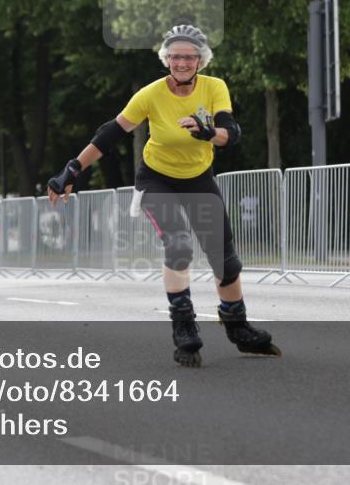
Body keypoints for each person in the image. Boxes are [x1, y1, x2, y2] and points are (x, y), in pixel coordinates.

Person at [47, 24, 280, 367]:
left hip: (198, 179)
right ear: (166, 59)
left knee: (225, 259)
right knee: (179, 244)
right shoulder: (151, 94)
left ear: (201, 60)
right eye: (175, 56)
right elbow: (110, 133)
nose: (182, 62)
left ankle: (237, 325)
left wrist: (208, 132)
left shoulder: (214, 87)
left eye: (189, 56)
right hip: (157, 180)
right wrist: (72, 169)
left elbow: (231, 133)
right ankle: (183, 324)